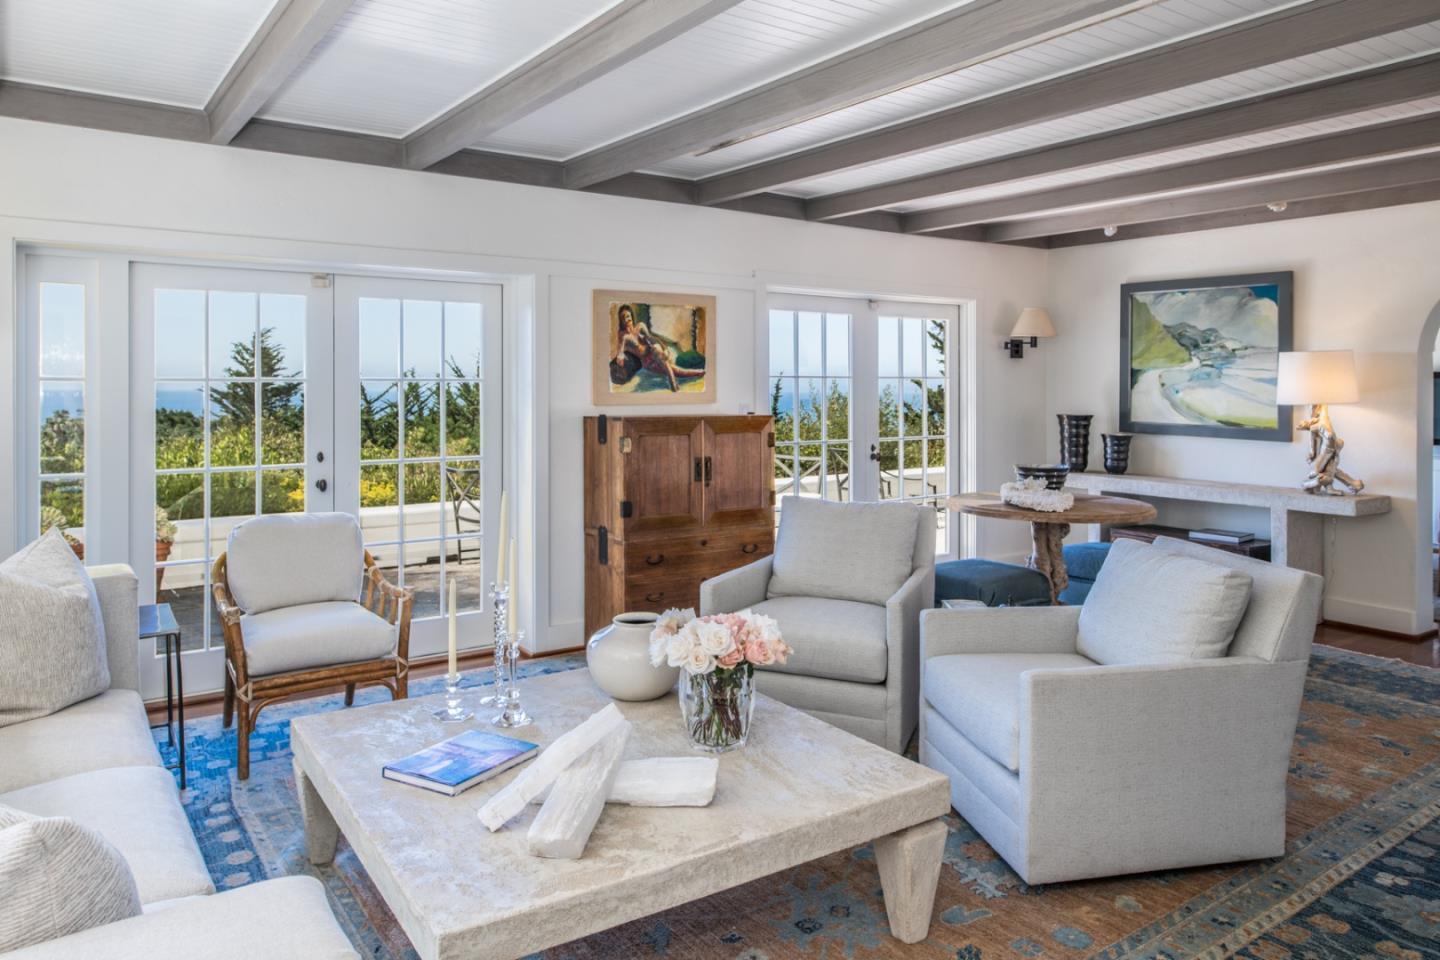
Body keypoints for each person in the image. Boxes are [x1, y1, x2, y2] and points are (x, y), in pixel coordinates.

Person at [611, 303, 704, 392]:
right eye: (623, 318)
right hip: (647, 361)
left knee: (656, 351)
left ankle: (673, 383)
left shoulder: (640, 326)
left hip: (654, 351)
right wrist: (620, 357)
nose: (627, 319)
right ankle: (697, 372)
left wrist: (665, 349)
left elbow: (652, 339)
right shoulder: (624, 337)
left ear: (631, 316)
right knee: (674, 370)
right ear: (621, 321)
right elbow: (620, 351)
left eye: (628, 316)